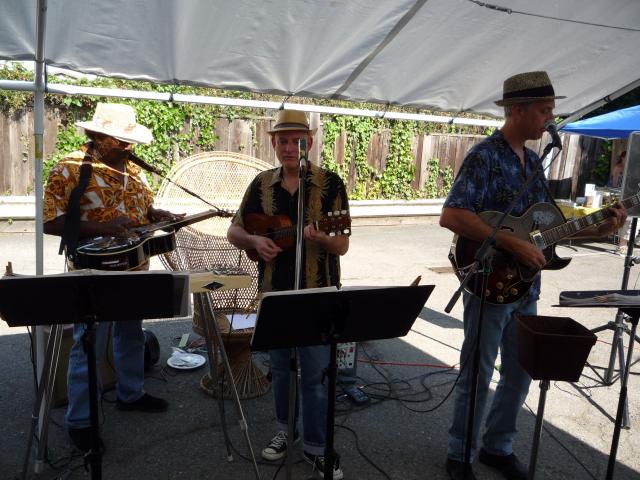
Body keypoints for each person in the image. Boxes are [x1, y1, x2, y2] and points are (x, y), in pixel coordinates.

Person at [440, 72, 626, 480]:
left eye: (551, 111)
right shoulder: (485, 157)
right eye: (545, 110)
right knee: (478, 372)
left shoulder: (534, 162)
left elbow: (546, 230)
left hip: (526, 285)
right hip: (489, 281)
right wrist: (510, 243)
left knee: (522, 369)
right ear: (518, 110)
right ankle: (460, 455)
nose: (550, 119)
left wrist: (599, 229)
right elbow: (451, 215)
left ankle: (497, 447)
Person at [43, 103, 182, 452]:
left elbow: (141, 210)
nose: (128, 146)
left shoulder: (134, 169)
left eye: (129, 139)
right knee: (87, 342)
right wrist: (103, 227)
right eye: (120, 140)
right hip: (93, 271)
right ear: (97, 135)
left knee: (131, 332)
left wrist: (157, 214)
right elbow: (50, 222)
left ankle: (130, 394)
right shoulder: (69, 168)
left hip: (135, 267)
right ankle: (80, 421)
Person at [227, 109, 349, 479]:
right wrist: (254, 241)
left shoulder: (330, 184)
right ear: (274, 144)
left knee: (315, 374)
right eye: (282, 141)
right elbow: (234, 231)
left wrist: (322, 237)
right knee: (280, 369)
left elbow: (342, 245)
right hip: (274, 293)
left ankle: (317, 446)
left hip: (318, 294)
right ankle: (285, 430)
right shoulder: (261, 184)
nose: (289, 147)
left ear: (308, 143)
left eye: (297, 140)